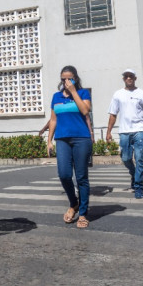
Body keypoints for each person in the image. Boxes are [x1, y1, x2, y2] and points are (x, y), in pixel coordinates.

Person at [46, 66, 93, 228]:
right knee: (64, 174)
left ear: (75, 78)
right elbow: (53, 119)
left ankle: (83, 213)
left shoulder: (83, 93)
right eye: (63, 79)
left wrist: (73, 91)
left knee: (81, 177)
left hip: (81, 138)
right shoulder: (56, 96)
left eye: (69, 78)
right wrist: (49, 140)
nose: (66, 81)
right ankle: (74, 203)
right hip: (62, 139)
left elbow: (85, 110)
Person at [105, 69, 143, 199]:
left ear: (135, 78)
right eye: (126, 76)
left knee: (139, 157)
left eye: (131, 76)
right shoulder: (118, 94)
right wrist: (108, 132)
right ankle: (134, 174)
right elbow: (113, 114)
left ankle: (138, 186)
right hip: (124, 131)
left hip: (139, 129)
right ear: (123, 79)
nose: (129, 78)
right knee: (125, 158)